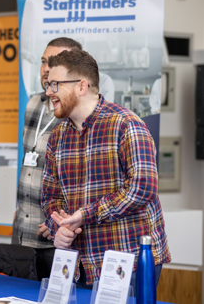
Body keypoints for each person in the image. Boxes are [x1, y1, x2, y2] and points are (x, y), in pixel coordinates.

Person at [41, 49, 171, 289]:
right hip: (80, 265)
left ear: (81, 86)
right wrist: (57, 227)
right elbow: (50, 197)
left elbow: (142, 189)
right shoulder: (58, 136)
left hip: (129, 262)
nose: (49, 92)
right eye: (48, 85)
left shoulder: (126, 124)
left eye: (55, 84)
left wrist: (85, 214)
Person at [11, 37, 82, 281]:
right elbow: (29, 163)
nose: (46, 69)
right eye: (43, 61)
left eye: (53, 62)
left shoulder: (78, 111)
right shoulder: (33, 104)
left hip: (57, 237)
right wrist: (21, 212)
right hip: (23, 231)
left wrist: (60, 219)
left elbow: (85, 176)